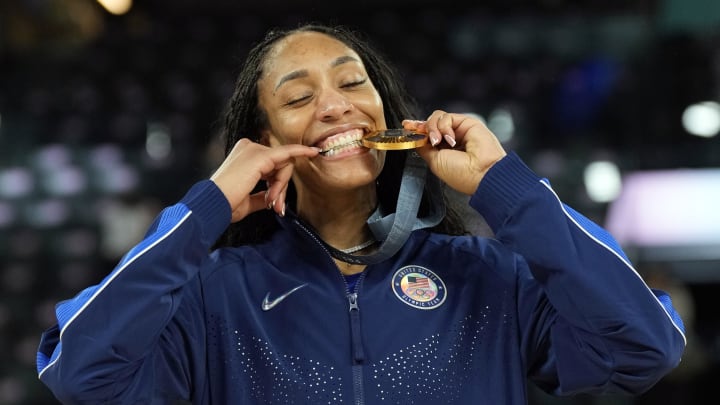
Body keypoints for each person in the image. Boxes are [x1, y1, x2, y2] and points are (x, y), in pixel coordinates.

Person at [36, 23, 687, 404]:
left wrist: (503, 186)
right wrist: (205, 208)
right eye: (298, 96)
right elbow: (82, 372)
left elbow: (645, 343)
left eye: (353, 84)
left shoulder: (491, 280)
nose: (335, 105)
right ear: (261, 143)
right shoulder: (212, 298)